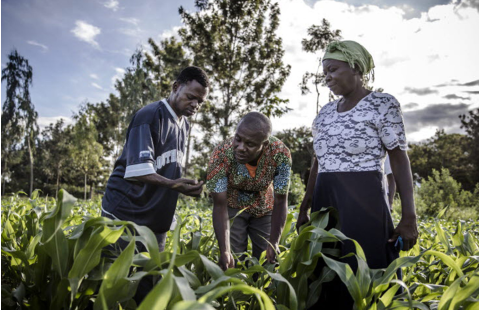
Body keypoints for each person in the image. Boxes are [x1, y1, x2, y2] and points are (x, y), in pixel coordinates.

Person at [296, 40, 418, 309]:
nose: (327, 77)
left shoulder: (382, 104)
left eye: (333, 69)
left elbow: (399, 159)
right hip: (325, 203)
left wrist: (409, 217)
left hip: (365, 202)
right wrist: (305, 205)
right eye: (324, 71)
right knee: (325, 274)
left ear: (356, 68)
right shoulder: (325, 113)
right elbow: (318, 160)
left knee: (366, 271)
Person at [101, 66, 209, 303]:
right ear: (175, 87)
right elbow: (139, 170)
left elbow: (168, 168)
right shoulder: (150, 115)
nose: (195, 105)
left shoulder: (184, 125)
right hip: (126, 215)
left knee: (147, 287)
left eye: (200, 102)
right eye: (191, 97)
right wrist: (174, 185)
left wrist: (185, 186)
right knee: (114, 287)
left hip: (154, 220)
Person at [206, 112, 292, 270]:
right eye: (237, 139)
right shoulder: (220, 154)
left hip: (264, 206)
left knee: (267, 261)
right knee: (235, 260)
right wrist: (225, 251)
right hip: (232, 205)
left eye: (250, 144)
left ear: (264, 145)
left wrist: (274, 242)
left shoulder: (280, 154)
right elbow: (219, 204)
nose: (240, 148)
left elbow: (281, 199)